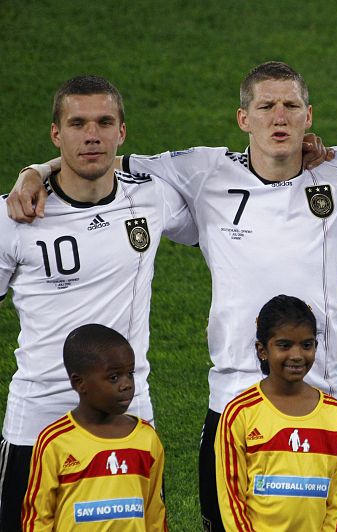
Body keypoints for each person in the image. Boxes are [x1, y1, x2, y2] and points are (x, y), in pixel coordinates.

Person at [6, 61, 337, 532]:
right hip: (233, 399)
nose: (279, 117)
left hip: (327, 394)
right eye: (266, 106)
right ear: (244, 119)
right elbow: (99, 160)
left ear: (309, 117)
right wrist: (36, 171)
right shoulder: (201, 172)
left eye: (291, 106)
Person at [0, 76, 196, 532]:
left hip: (128, 418)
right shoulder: (14, 217)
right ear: (57, 134)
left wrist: (36, 168)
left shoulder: (151, 198)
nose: (92, 135)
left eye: (105, 122)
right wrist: (34, 174)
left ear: (122, 132)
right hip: (39, 421)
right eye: (77, 123)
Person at [215, 294, 337, 531]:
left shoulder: (335, 416)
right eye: (284, 345)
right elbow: (231, 500)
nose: (297, 355)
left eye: (306, 345)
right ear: (262, 350)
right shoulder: (240, 414)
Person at [21, 324, 167, 531]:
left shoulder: (146, 438)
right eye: (114, 377)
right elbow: (38, 517)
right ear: (79, 383)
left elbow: (155, 513)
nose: (126, 384)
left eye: (130, 373)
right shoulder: (55, 441)